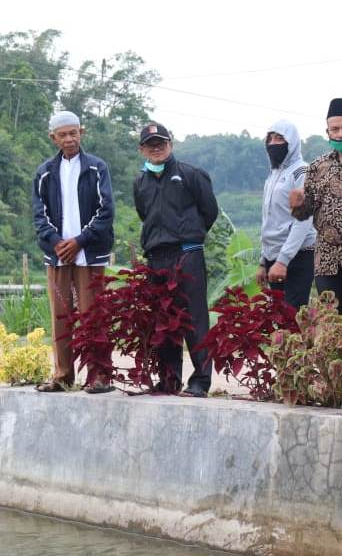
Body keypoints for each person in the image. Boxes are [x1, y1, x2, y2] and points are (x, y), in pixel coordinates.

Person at [133, 122, 218, 397]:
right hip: (157, 256)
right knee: (164, 320)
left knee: (194, 318)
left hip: (187, 253)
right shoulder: (140, 182)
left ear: (171, 144)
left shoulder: (191, 175)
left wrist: (188, 233)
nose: (156, 148)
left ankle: (200, 381)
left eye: (161, 142)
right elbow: (144, 214)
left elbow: (210, 211)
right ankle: (169, 379)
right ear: (142, 149)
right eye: (150, 144)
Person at [31, 111, 114, 393]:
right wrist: (57, 242)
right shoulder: (44, 172)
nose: (69, 139)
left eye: (73, 133)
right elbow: (39, 215)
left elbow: (106, 212)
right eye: (63, 135)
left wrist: (79, 241)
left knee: (94, 315)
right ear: (53, 137)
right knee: (61, 316)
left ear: (82, 132)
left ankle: (100, 375)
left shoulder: (96, 168)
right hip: (57, 255)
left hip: (89, 254)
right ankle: (63, 376)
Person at [291, 98, 342, 313]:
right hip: (326, 259)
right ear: (327, 131)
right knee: (331, 323)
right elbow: (305, 213)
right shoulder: (317, 166)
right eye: (334, 129)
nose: (340, 134)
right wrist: (298, 205)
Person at [256, 120, 315, 308]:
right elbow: (269, 219)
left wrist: (283, 261)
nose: (273, 143)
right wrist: (263, 261)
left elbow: (303, 221)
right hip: (273, 258)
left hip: (297, 256)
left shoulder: (301, 172)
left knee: (293, 319)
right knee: (277, 319)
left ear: (292, 142)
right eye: (270, 139)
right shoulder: (273, 174)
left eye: (280, 138)